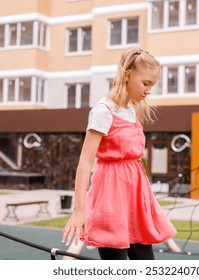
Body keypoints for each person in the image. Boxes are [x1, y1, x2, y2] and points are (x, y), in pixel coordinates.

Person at [61, 47, 177, 260]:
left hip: (134, 199)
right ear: (128, 75)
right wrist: (79, 209)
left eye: (152, 85)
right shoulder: (103, 111)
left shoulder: (132, 111)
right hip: (111, 197)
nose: (149, 90)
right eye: (146, 83)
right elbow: (85, 162)